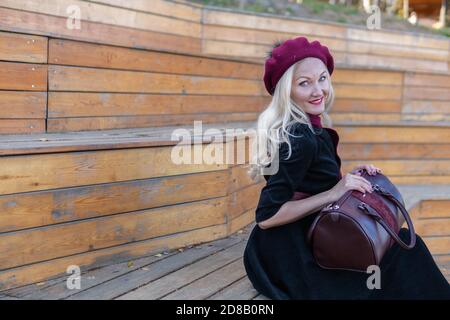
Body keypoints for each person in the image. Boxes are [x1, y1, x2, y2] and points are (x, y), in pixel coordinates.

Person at [244, 36, 450, 300]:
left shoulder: (307, 128)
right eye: (304, 83)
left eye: (322, 78)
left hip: (309, 234)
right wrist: (333, 194)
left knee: (402, 248)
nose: (318, 90)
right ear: (287, 91)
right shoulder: (300, 138)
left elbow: (308, 182)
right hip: (292, 255)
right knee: (404, 254)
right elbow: (267, 217)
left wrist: (349, 178)